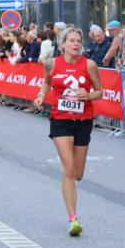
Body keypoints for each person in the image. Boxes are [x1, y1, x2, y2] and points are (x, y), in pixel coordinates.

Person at [32, 27, 104, 236]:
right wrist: (40, 95)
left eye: (78, 41)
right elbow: (46, 83)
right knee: (69, 169)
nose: (76, 44)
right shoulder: (51, 64)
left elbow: (100, 91)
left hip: (83, 121)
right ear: (62, 44)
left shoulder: (89, 65)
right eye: (71, 40)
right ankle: (73, 219)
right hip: (60, 120)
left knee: (79, 174)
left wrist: (88, 96)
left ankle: (73, 206)